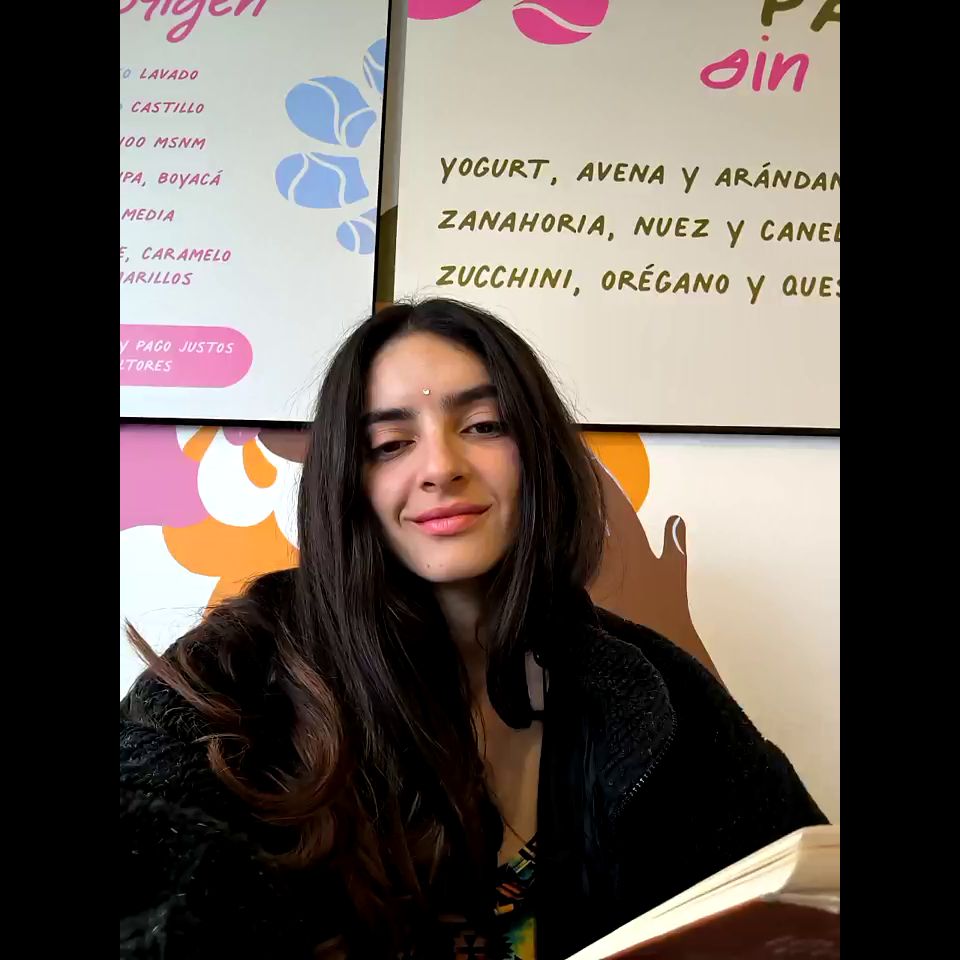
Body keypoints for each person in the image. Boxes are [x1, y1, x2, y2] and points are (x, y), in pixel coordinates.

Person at [120, 298, 826, 960]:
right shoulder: (231, 676)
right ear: (347, 482)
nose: (441, 468)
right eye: (390, 443)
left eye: (484, 426)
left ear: (540, 455)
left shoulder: (652, 687)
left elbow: (798, 885)